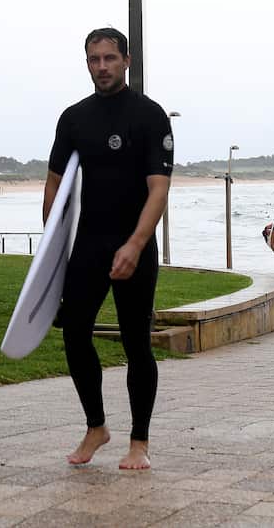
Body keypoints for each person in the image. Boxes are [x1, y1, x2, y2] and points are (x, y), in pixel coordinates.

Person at [43, 27, 174, 471]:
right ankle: (96, 426)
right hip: (89, 245)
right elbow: (56, 183)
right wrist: (51, 251)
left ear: (127, 60)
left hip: (134, 243)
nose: (102, 66)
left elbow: (159, 188)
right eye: (94, 59)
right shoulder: (74, 118)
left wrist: (136, 244)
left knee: (137, 343)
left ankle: (139, 441)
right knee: (75, 333)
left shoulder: (150, 116)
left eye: (110, 58)